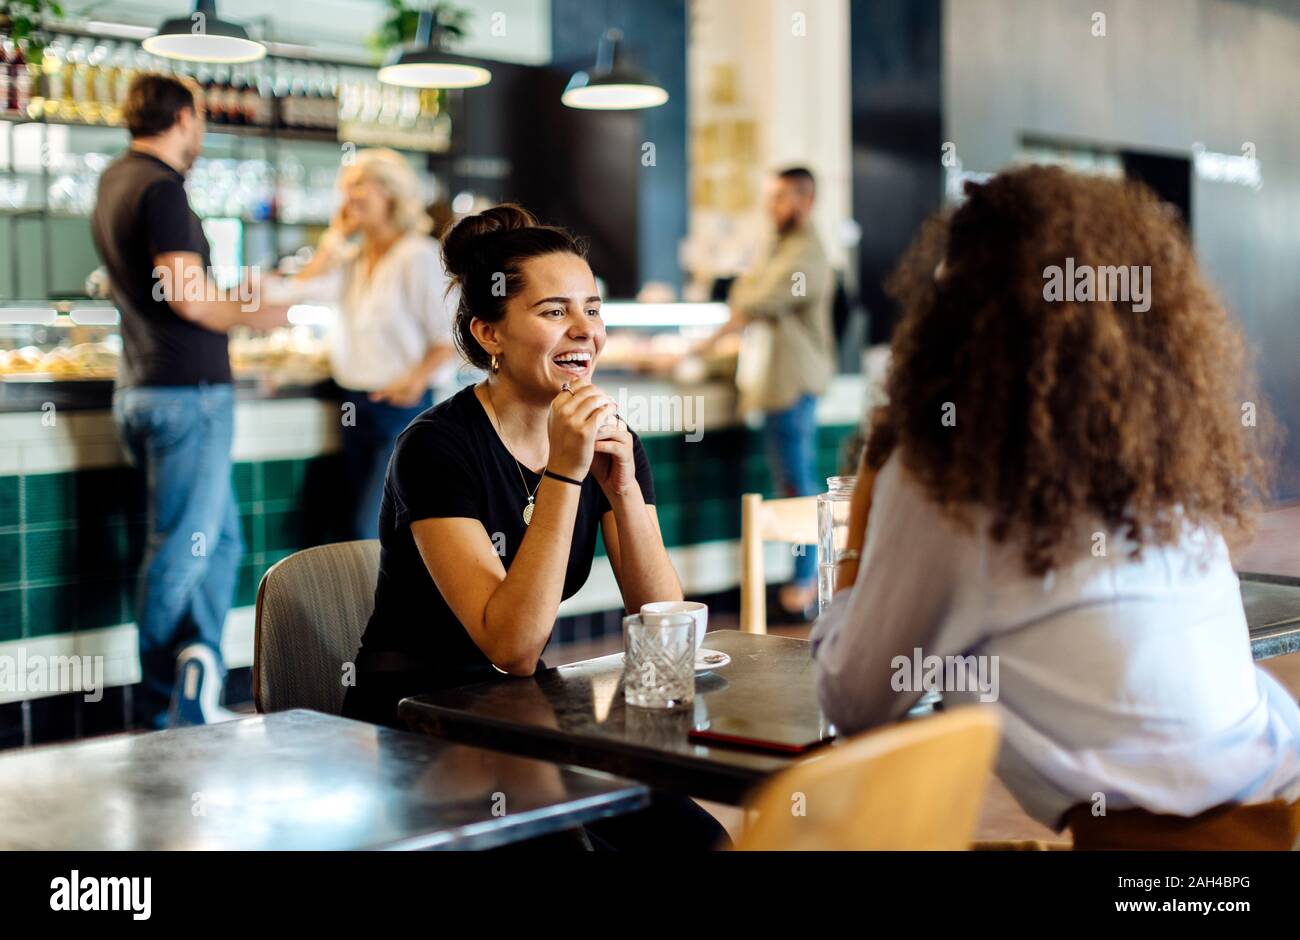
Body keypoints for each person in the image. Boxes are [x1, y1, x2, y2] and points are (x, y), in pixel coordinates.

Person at [812, 166, 1300, 849]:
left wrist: (866, 503)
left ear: (956, 309)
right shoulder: (1157, 462)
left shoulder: (950, 477)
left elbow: (854, 704)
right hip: (1271, 819)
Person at [340, 203, 728, 850]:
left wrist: (624, 488)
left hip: (520, 715)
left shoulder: (609, 439)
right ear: (489, 333)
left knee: (696, 841)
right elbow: (512, 647)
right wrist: (566, 477)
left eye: (593, 309)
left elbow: (666, 631)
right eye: (555, 312)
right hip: (417, 720)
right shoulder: (435, 449)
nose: (585, 331)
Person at [92, 73, 288, 730]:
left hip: (145, 387)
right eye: (199, 117)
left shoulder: (114, 179)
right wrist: (255, 314)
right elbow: (187, 294)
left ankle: (195, 673)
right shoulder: (162, 187)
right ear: (182, 118)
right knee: (180, 548)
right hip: (187, 395)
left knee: (221, 541)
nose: (200, 129)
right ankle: (158, 710)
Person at [265, 148, 457, 540]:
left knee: (369, 529)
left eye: (358, 187)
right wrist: (335, 237)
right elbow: (293, 292)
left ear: (389, 192)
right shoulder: (353, 258)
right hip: (354, 406)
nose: (347, 197)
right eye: (345, 188)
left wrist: (415, 381)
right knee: (367, 530)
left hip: (401, 410)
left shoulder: (417, 256)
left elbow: (451, 334)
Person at [699, 166, 834, 617]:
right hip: (779, 384)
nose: (771, 207)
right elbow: (746, 291)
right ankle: (804, 586)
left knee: (797, 486)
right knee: (791, 482)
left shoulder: (806, 252)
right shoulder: (779, 247)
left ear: (805, 200)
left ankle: (805, 588)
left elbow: (754, 300)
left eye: (780, 198)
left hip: (792, 383)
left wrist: (746, 290)